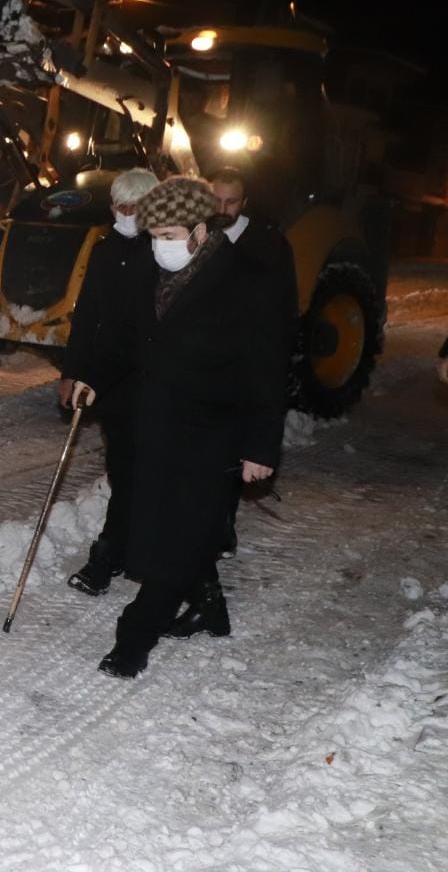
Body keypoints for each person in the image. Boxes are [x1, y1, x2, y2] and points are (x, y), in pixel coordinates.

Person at [70, 177, 290, 679]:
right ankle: (211, 607)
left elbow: (267, 370)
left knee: (179, 540)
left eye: (168, 234)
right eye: (153, 235)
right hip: (155, 425)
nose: (159, 245)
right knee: (167, 530)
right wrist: (93, 378)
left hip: (213, 432)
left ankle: (134, 639)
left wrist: (260, 445)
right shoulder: (153, 272)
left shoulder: (246, 282)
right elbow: (129, 340)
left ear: (198, 229)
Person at [59, 167, 160, 596]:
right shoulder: (103, 251)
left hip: (153, 381)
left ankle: (123, 552)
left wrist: (94, 376)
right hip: (113, 384)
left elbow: (138, 332)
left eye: (135, 208)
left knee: (148, 471)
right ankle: (118, 550)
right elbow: (88, 318)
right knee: (122, 467)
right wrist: (72, 372)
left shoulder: (164, 254)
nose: (125, 214)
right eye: (119, 206)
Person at [210, 166, 299, 556]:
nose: (223, 208)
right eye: (216, 200)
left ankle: (222, 525)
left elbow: (282, 312)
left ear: (244, 202)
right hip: (204, 365)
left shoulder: (269, 245)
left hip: (246, 366)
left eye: (231, 201)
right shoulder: (195, 236)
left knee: (231, 452)